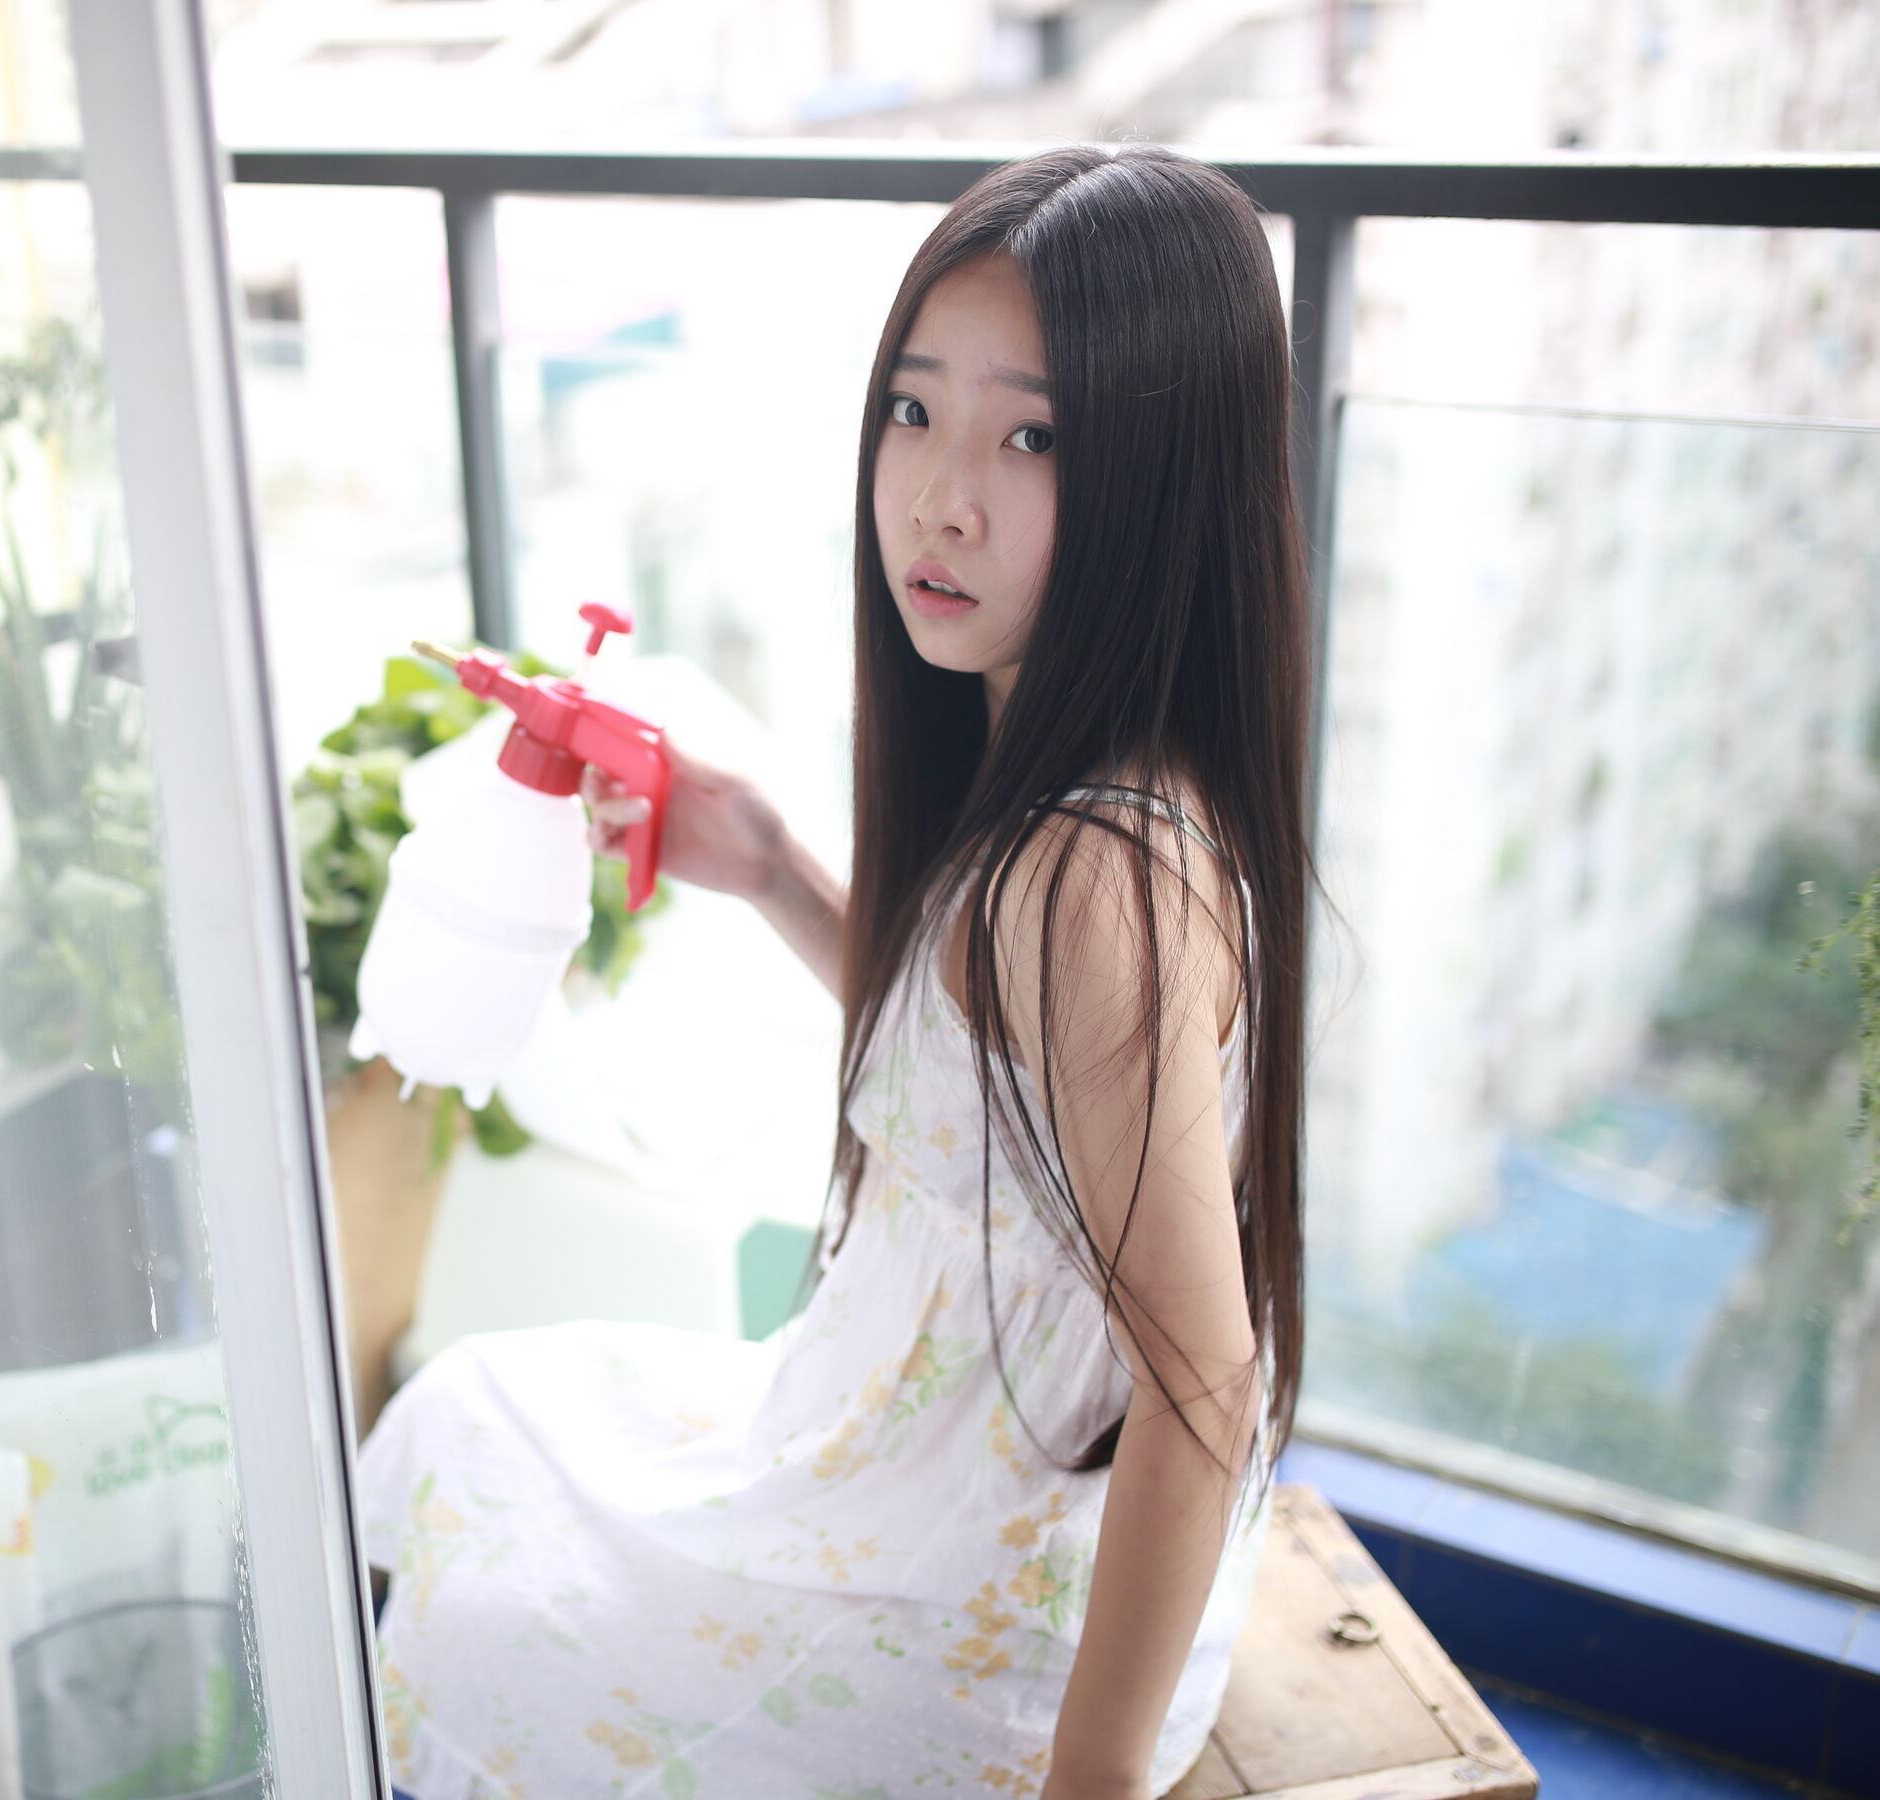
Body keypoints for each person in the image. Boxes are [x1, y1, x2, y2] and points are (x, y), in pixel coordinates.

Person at [356, 142, 1314, 1800]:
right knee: (465, 1410)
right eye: (914, 411)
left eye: (1032, 437)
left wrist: (1089, 1786)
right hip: (907, 1462)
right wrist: (770, 865)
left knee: (481, 1607)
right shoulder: (1079, 783)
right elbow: (987, 1077)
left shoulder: (1095, 879)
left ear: (1168, 484)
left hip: (985, 1602)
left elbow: (1205, 1379)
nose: (941, 497)